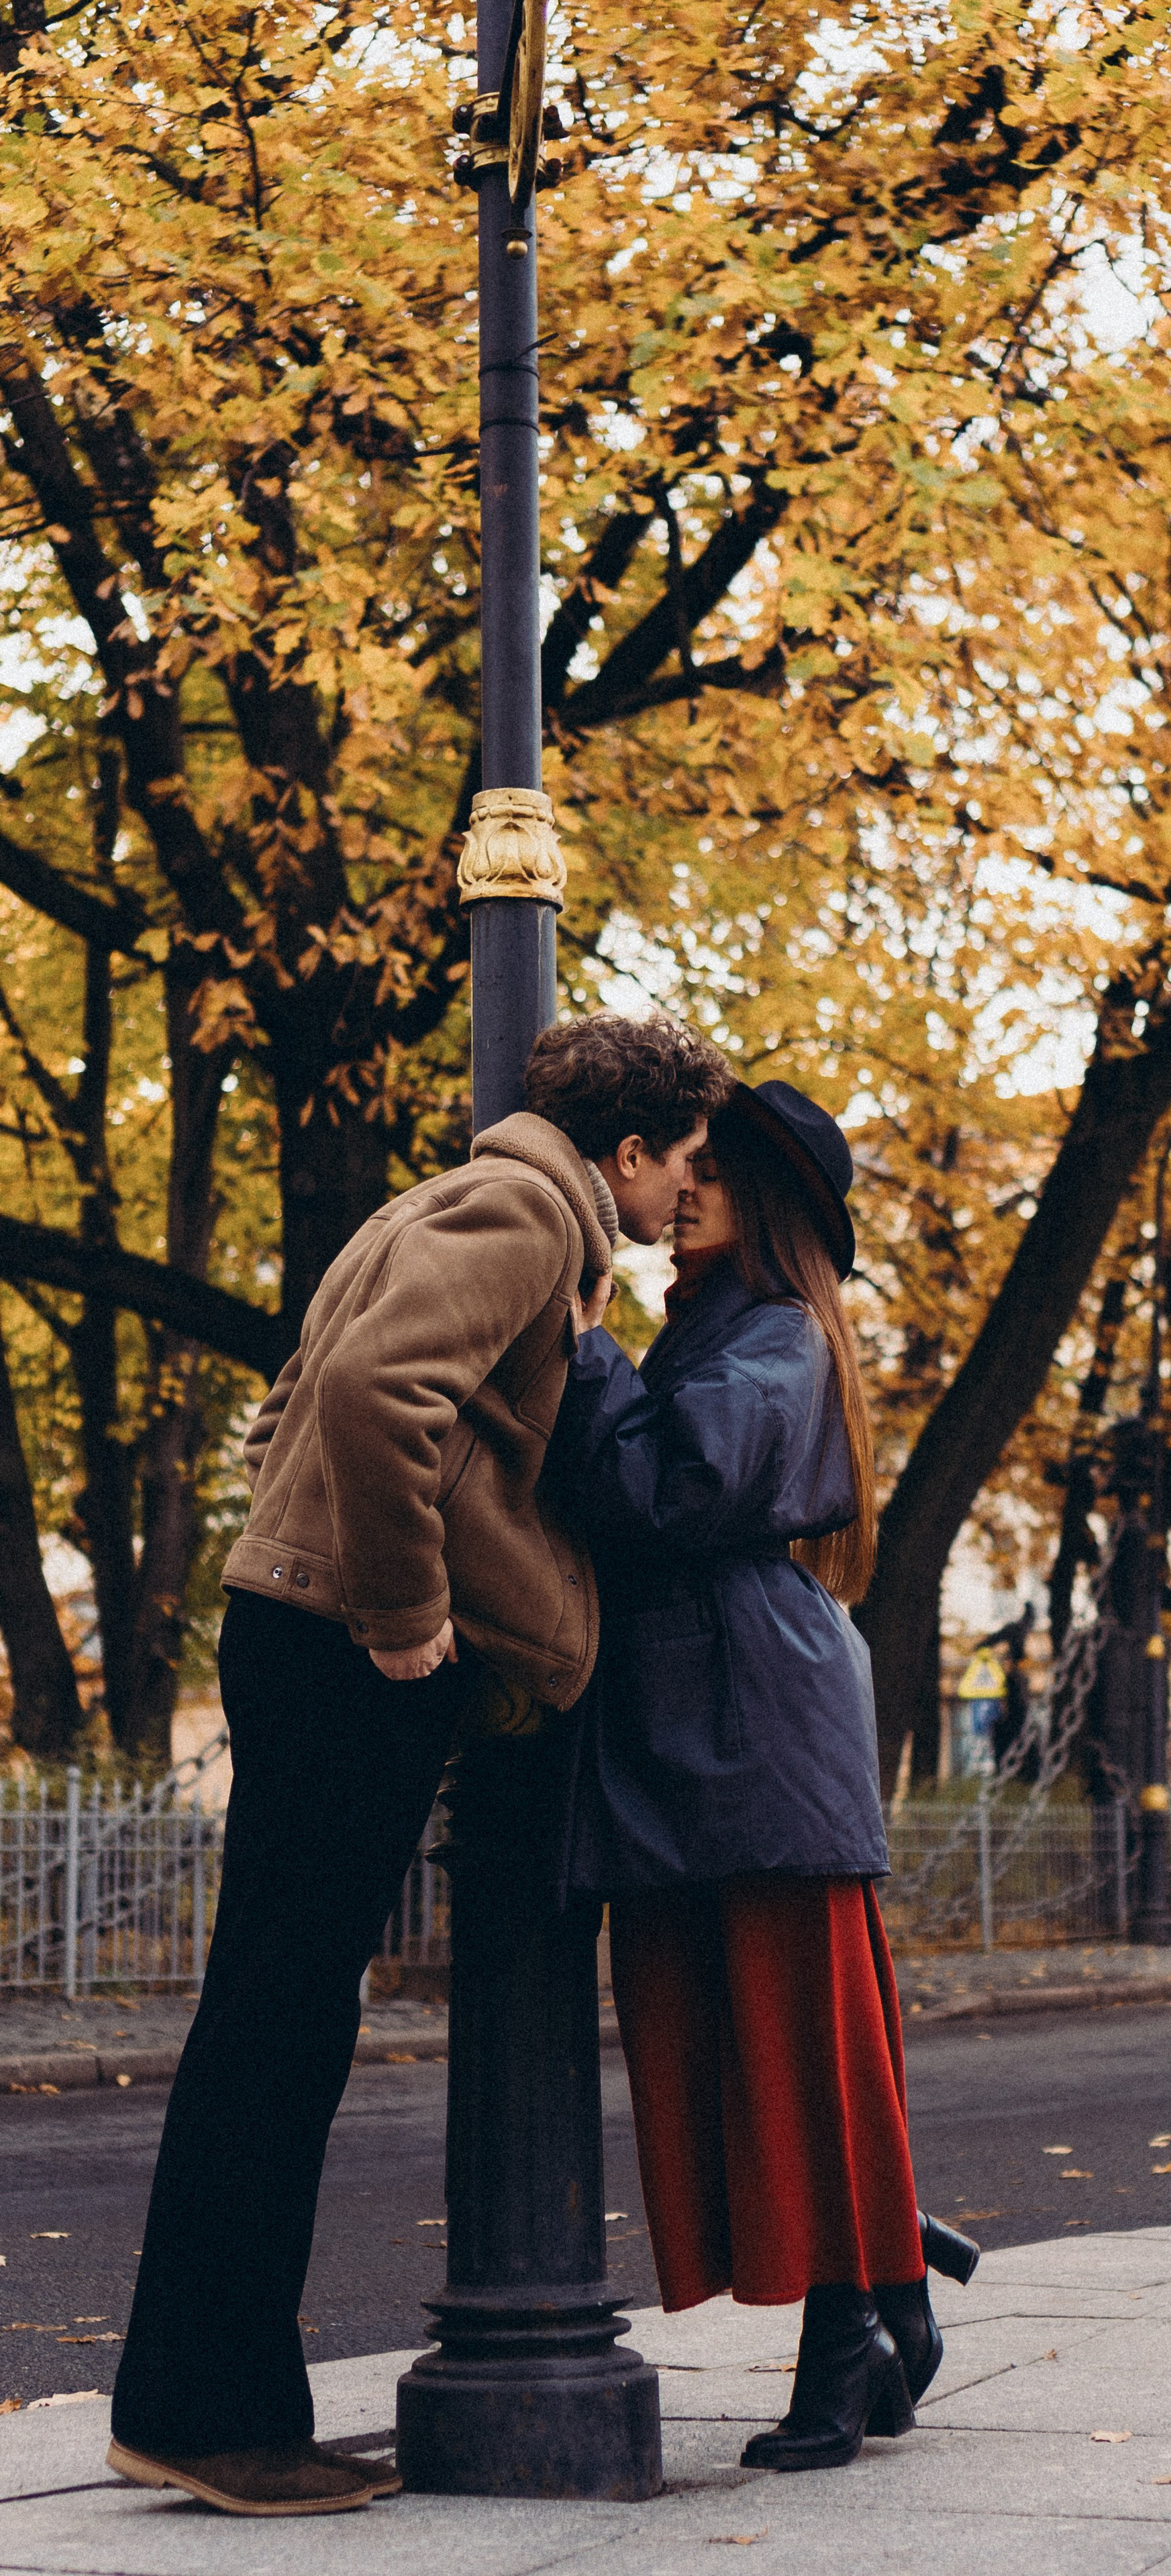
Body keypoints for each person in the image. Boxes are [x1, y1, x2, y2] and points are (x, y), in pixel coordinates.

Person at [107, 1012, 731, 2518]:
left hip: (301, 1625)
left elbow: (305, 1391)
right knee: (279, 2023)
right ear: (628, 1153)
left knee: (272, 2012)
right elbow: (375, 1394)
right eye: (682, 1167)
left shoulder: (447, 1201)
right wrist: (399, 1613)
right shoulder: (526, 1209)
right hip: (343, 1647)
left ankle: (191, 2400)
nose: (678, 1202)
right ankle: (212, 2416)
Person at [544, 1080, 976, 2476]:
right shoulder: (714, 1333)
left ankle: (851, 2338)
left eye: (708, 1176)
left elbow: (668, 1492)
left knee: (800, 2044)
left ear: (765, 1205)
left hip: (755, 1728)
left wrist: (587, 1350)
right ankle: (890, 2281)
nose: (678, 1195)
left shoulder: (778, 1337)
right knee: (726, 2047)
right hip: (700, 1722)